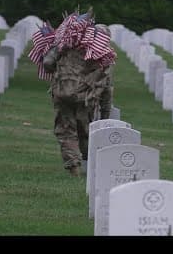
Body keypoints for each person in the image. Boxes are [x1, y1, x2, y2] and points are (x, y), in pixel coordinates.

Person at [29, 9, 116, 176]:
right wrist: (105, 116)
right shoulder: (102, 55)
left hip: (62, 92)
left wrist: (60, 72)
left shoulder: (66, 44)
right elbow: (107, 88)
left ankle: (73, 167)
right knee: (85, 130)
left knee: (65, 130)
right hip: (86, 97)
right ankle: (88, 165)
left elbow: (47, 62)